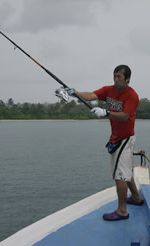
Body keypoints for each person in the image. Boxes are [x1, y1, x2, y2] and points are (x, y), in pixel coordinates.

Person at [58, 65, 143, 221]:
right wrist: (76, 93)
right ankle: (136, 198)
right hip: (116, 137)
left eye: (119, 77)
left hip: (125, 139)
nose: (116, 79)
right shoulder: (109, 90)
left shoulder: (132, 95)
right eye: (114, 76)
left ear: (127, 79)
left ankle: (122, 210)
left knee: (120, 175)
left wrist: (106, 113)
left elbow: (125, 116)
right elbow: (92, 95)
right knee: (125, 171)